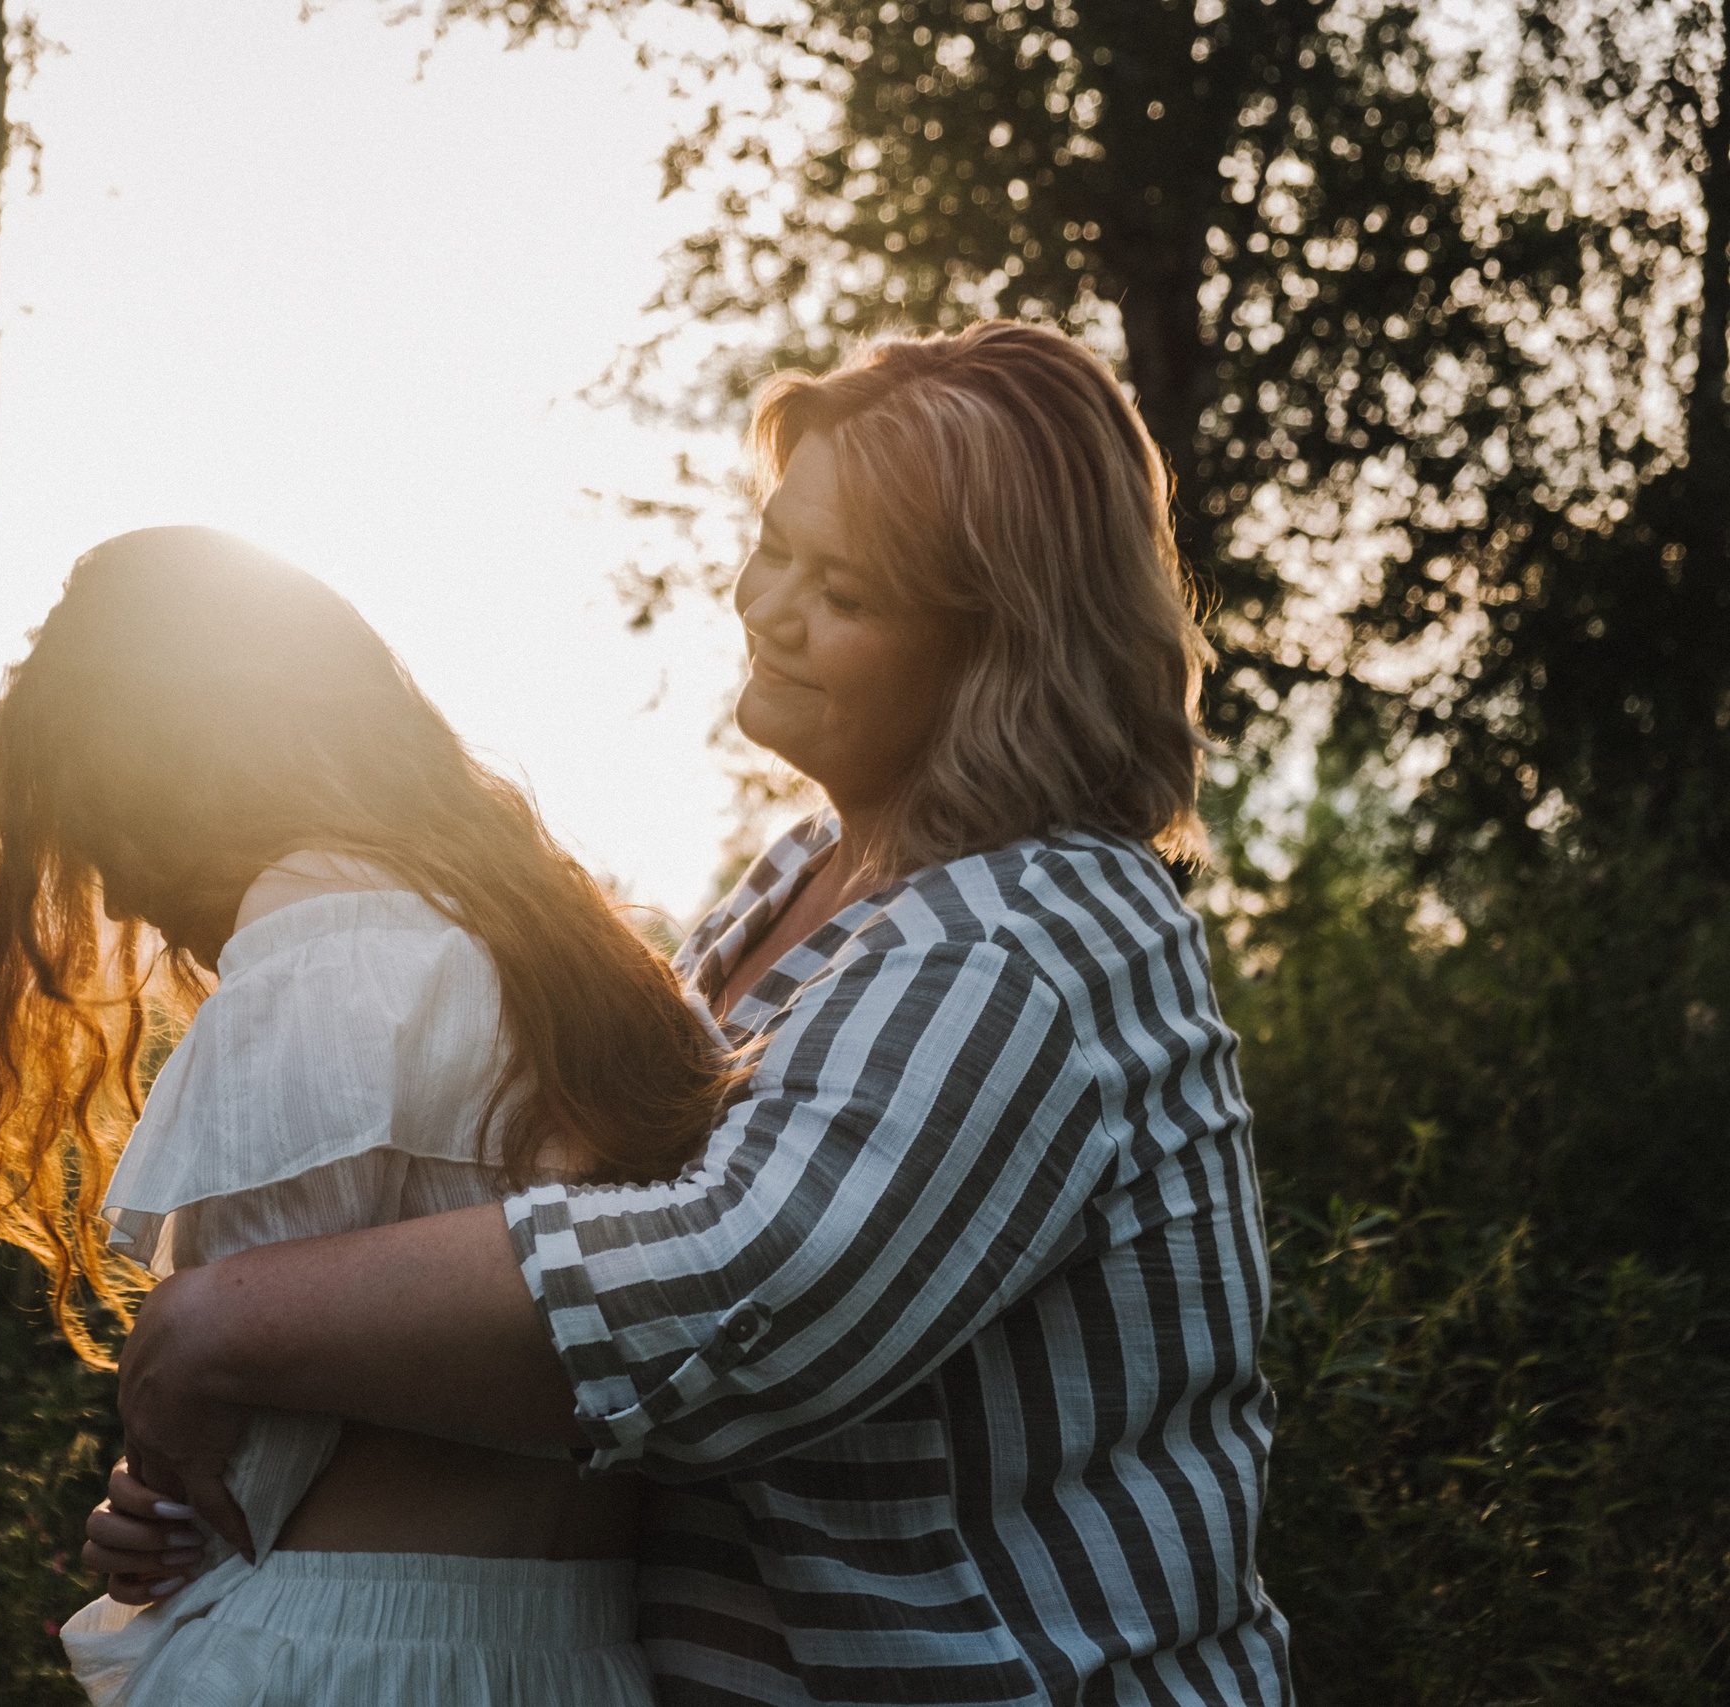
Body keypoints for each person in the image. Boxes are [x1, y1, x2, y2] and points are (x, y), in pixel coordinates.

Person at [85, 321, 1295, 1705]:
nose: (761, 601)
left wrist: (224, 1321)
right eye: (775, 543)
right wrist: (241, 1493)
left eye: (840, 587)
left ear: (998, 652)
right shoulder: (790, 887)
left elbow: (736, 1293)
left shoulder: (1031, 940)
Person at [0, 525, 737, 1705]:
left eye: (104, 823)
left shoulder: (322, 939)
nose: (115, 886)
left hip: (346, 1649)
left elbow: (243, 1419)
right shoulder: (576, 961)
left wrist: (152, 1512)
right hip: (584, 1655)